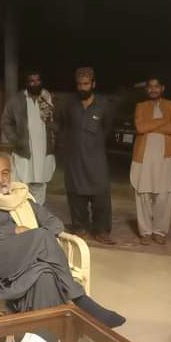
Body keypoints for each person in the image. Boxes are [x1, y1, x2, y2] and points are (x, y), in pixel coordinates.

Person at [0, 151, 125, 328]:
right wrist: (14, 231)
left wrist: (29, 241)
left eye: (5, 173)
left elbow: (55, 224)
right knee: (41, 236)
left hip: (24, 262)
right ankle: (80, 299)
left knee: (45, 274)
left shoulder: (22, 201)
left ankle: (43, 339)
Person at [60, 67, 116, 245]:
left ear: (93, 84)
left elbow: (108, 129)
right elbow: (63, 126)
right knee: (76, 195)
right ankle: (80, 228)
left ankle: (101, 231)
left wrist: (93, 144)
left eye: (86, 84)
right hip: (75, 159)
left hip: (96, 159)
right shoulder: (69, 104)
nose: (82, 88)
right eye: (79, 84)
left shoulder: (103, 104)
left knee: (100, 196)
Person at [131, 76, 171, 245]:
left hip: (165, 157)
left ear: (162, 88)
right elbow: (140, 127)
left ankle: (159, 231)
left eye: (156, 86)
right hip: (143, 157)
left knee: (163, 196)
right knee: (143, 194)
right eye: (150, 87)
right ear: (147, 89)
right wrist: (164, 121)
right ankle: (145, 232)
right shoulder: (140, 106)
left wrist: (150, 124)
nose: (153, 89)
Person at [0, 70, 57, 204]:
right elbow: (6, 122)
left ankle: (36, 214)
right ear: (26, 83)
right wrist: (15, 140)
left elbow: (58, 123)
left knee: (40, 189)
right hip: (23, 152)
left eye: (38, 80)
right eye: (32, 81)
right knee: (20, 188)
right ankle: (21, 214)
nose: (35, 84)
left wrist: (52, 121)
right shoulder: (16, 101)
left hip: (43, 153)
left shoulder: (48, 99)